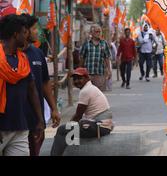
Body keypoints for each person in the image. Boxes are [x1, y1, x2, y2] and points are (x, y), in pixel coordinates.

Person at [0, 15, 44, 156]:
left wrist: (40, 120)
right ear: (15, 34)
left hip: (20, 128)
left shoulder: (23, 60)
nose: (27, 35)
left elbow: (32, 91)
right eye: (24, 32)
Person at [20, 14, 61, 156]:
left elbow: (45, 83)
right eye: (34, 28)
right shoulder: (9, 55)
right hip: (14, 120)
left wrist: (54, 108)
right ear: (24, 31)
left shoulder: (38, 53)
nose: (37, 31)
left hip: (36, 118)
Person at [50, 68, 113, 156]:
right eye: (75, 79)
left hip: (100, 127)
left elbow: (77, 116)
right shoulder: (90, 88)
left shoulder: (85, 91)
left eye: (80, 78)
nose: (76, 81)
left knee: (62, 130)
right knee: (69, 129)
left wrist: (67, 127)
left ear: (87, 78)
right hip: (102, 125)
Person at [80, 25, 112, 91]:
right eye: (97, 31)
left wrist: (109, 70)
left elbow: (107, 58)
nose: (99, 33)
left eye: (100, 31)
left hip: (100, 73)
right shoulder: (86, 44)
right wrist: (81, 71)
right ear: (91, 33)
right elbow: (82, 58)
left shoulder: (104, 43)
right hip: (88, 73)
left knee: (99, 94)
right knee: (88, 92)